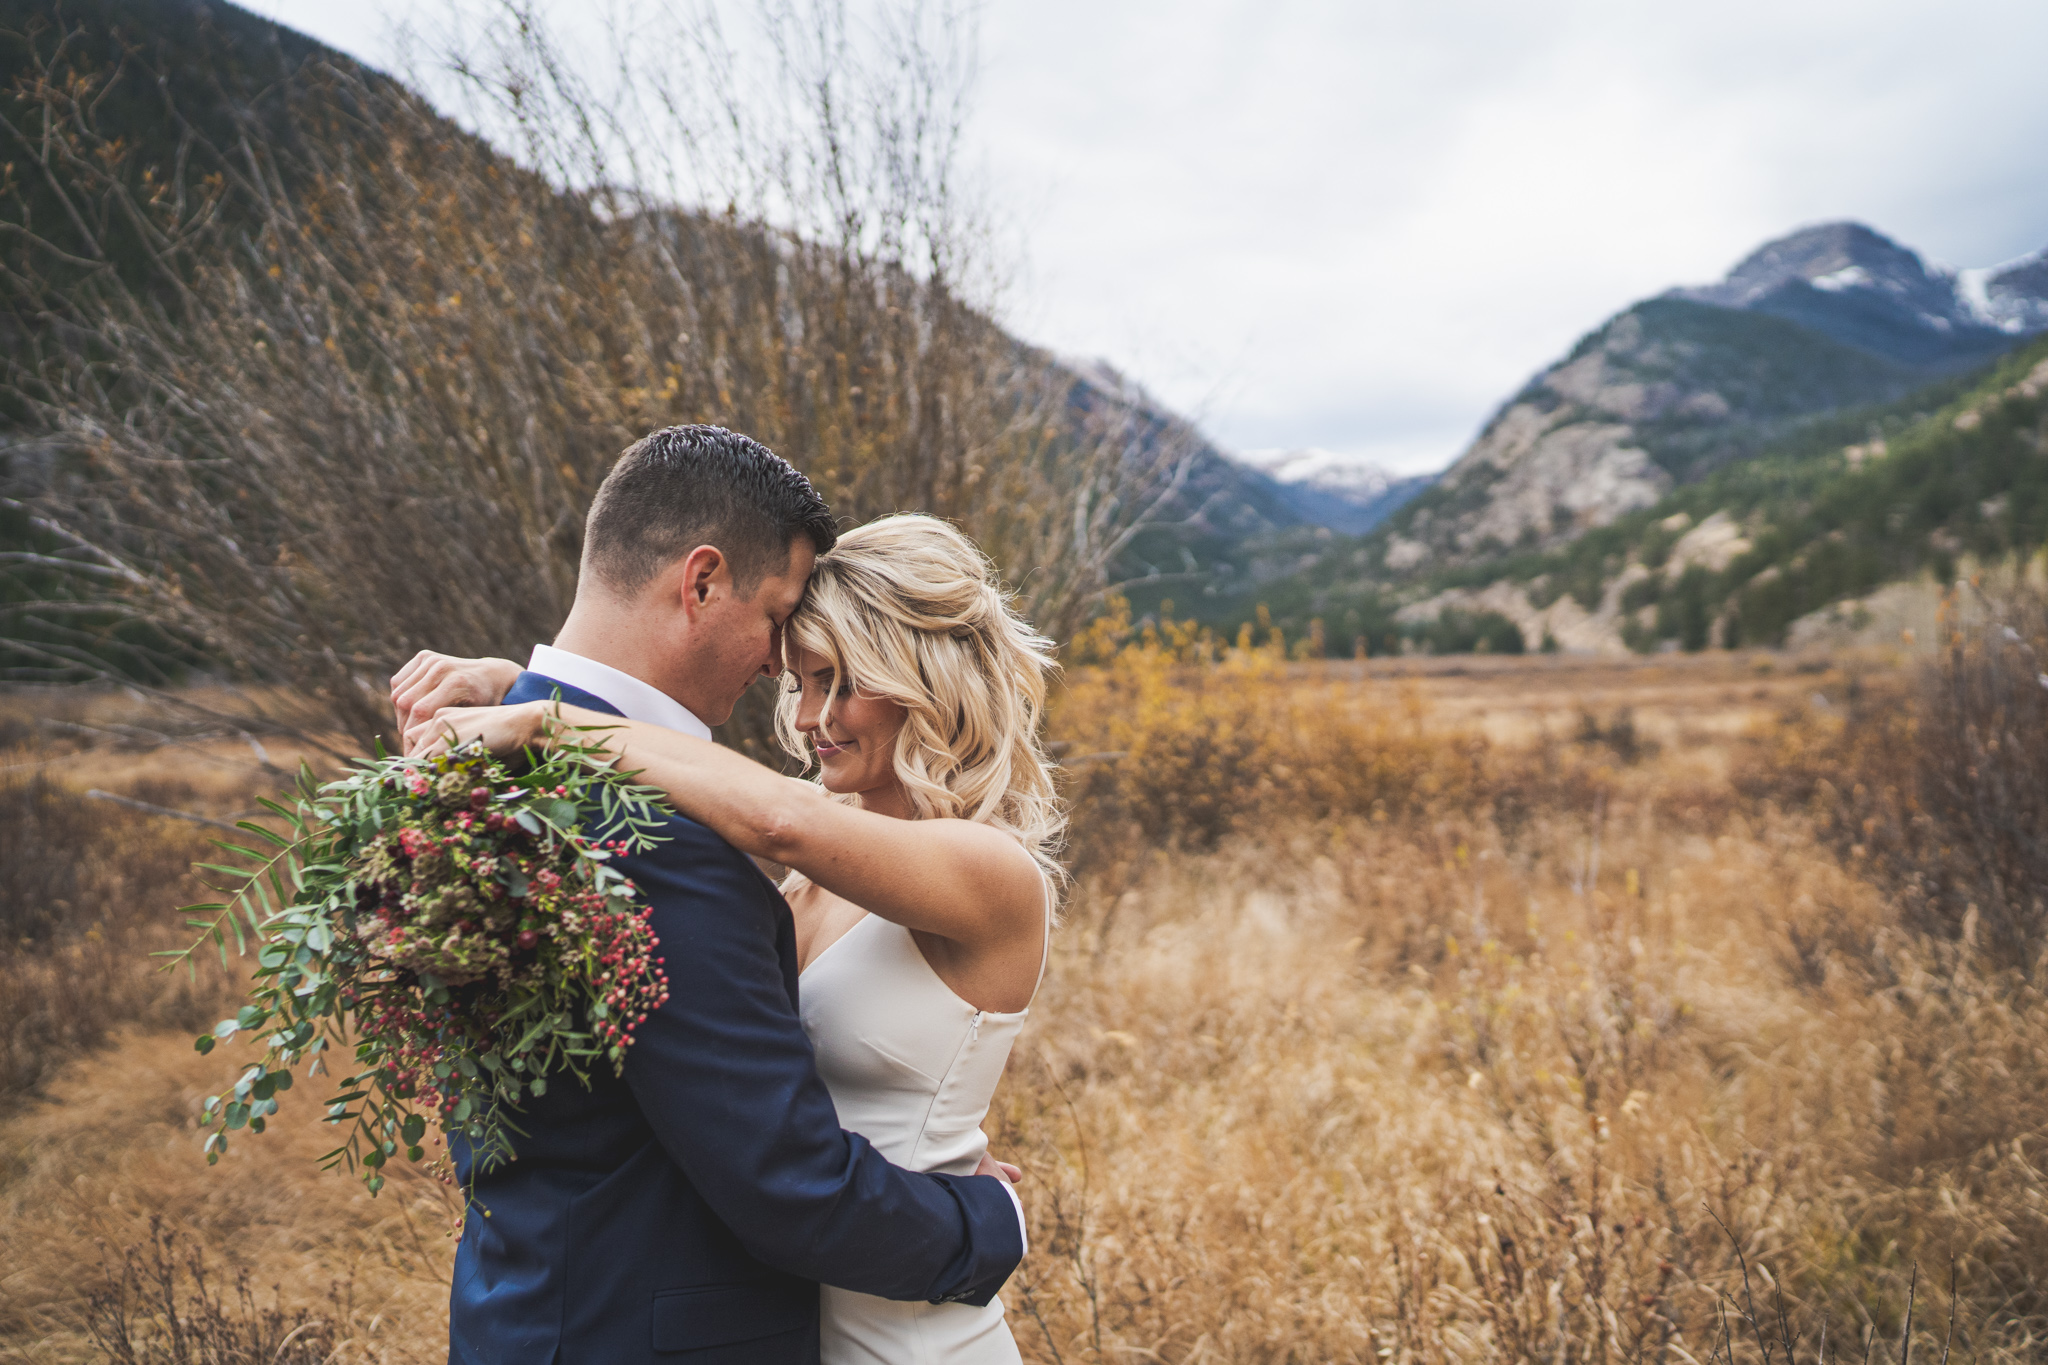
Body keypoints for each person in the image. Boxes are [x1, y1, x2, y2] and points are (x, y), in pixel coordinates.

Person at [390, 427, 1029, 1365]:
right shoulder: (670, 839)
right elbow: (785, 1181)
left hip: (532, 1310)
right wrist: (994, 1219)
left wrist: (535, 698)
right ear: (700, 582)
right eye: (784, 633)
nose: (789, 690)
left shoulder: (496, 776)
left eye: (834, 679)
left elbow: (772, 813)